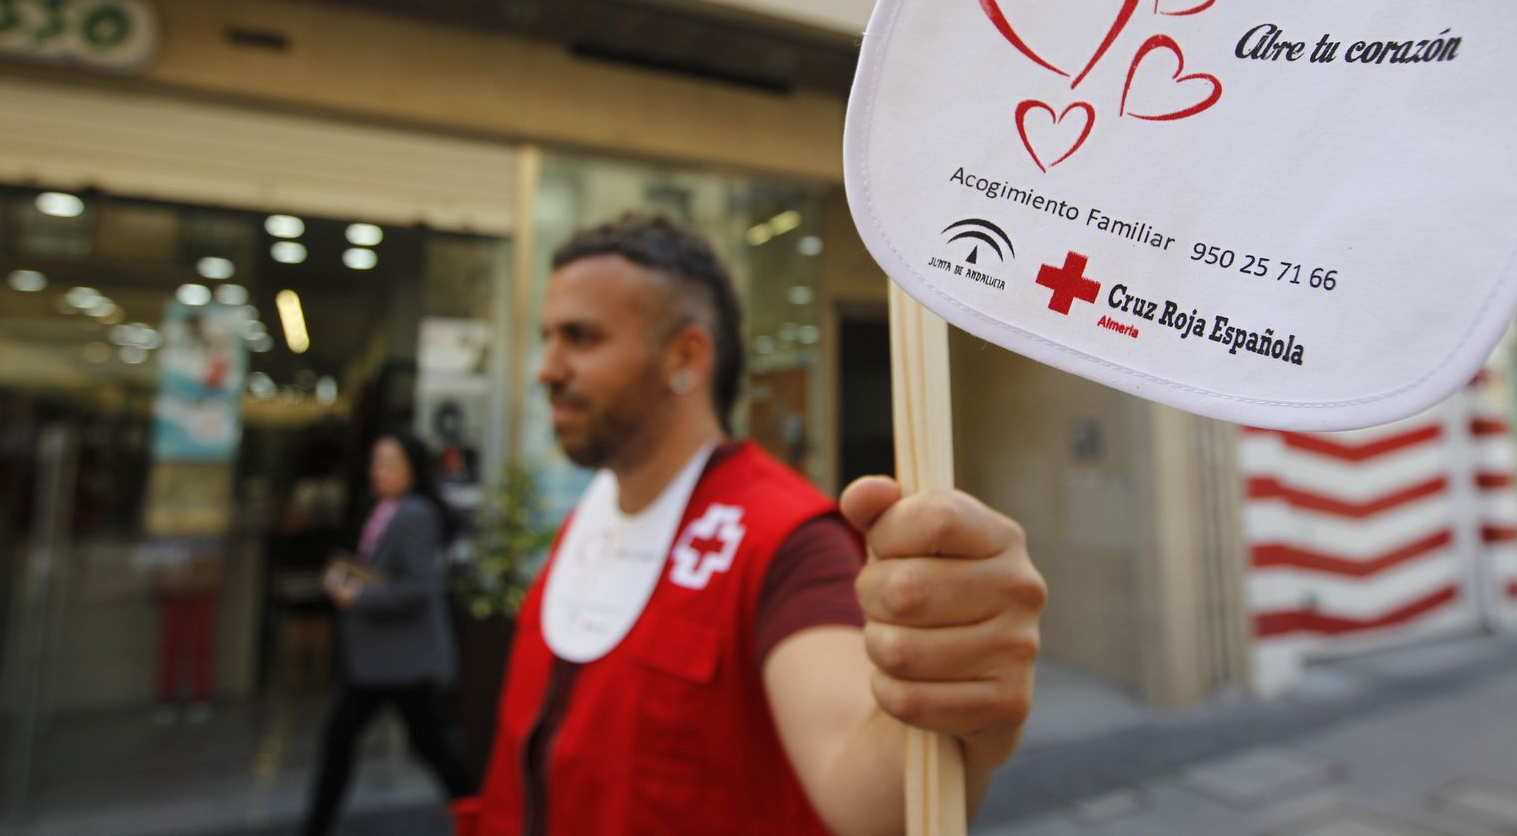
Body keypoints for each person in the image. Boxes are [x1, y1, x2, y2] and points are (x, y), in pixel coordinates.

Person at [458, 214, 1046, 836]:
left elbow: (867, 798)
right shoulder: (588, 518)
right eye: (548, 337)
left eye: (581, 337)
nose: (546, 368)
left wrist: (947, 686)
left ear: (686, 356)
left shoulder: (790, 542)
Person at [299, 432, 475, 836]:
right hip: (388, 661)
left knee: (419, 748)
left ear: (413, 470)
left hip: (400, 661)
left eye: (389, 464)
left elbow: (418, 588)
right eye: (375, 462)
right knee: (428, 749)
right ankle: (481, 814)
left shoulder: (412, 514)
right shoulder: (388, 510)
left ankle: (482, 815)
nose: (378, 472)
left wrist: (357, 596)